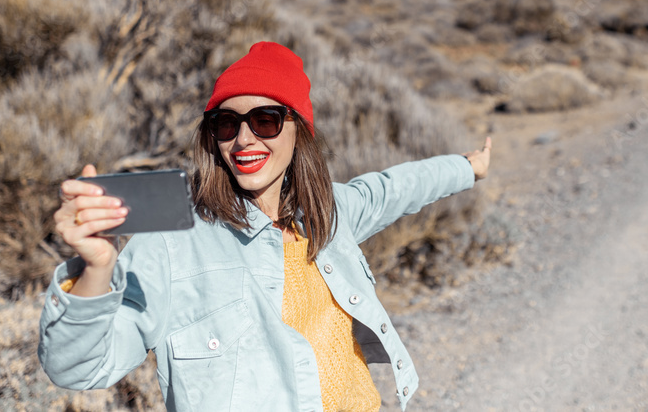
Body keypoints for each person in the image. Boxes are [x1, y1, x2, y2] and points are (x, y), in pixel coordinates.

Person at [38, 41, 491, 412]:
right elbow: (77, 369)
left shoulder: (328, 212)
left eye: (265, 120)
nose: (245, 138)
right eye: (227, 124)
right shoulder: (173, 246)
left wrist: (467, 167)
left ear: (298, 130)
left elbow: (395, 188)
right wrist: (96, 269)